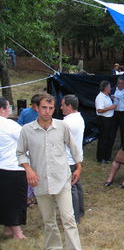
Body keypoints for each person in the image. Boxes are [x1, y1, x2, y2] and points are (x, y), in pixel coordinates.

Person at [16, 93, 83, 250]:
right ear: (36, 108)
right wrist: (28, 170)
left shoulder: (62, 126)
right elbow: (20, 153)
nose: (47, 111)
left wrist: (79, 167)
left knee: (69, 219)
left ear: (54, 109)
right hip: (40, 181)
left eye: (51, 108)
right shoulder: (27, 130)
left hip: (62, 179)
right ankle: (53, 247)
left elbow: (74, 147)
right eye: (44, 107)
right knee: (49, 220)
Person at [0, 97, 27, 239]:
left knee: (4, 199)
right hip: (12, 167)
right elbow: (25, 138)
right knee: (15, 201)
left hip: (2, 167)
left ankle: (7, 229)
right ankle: (17, 232)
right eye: (8, 107)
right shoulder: (8, 125)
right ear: (2, 109)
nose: (10, 110)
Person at [60, 94, 85, 224]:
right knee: (77, 184)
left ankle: (75, 217)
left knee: (72, 188)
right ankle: (80, 210)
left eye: (63, 105)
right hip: (77, 157)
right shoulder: (79, 118)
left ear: (69, 106)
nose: (61, 107)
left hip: (69, 159)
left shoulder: (66, 122)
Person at [95, 80, 117, 163]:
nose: (110, 88)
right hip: (103, 120)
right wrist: (111, 107)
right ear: (105, 88)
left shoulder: (106, 96)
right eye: (109, 87)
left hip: (109, 119)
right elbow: (99, 110)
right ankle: (101, 158)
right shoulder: (100, 97)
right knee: (103, 139)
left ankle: (107, 156)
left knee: (109, 138)